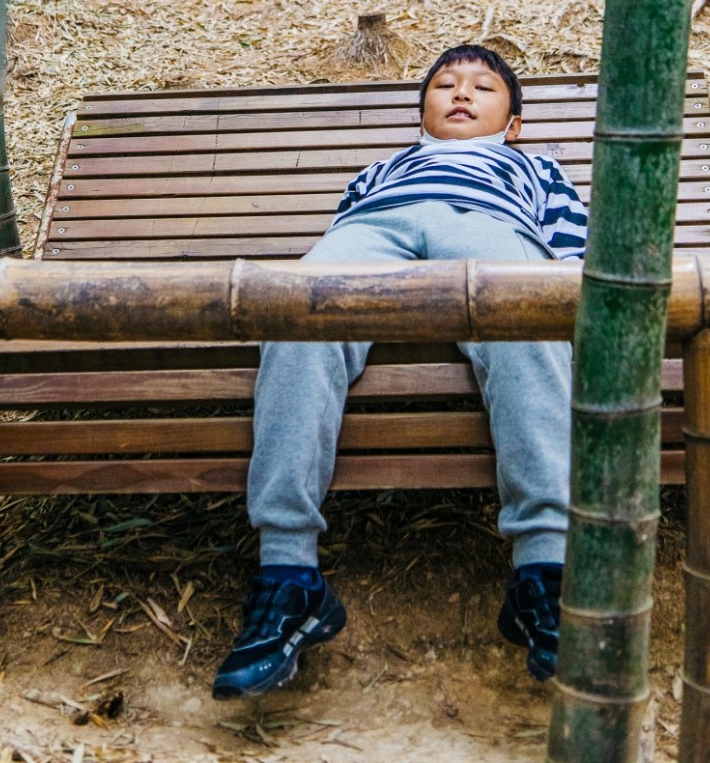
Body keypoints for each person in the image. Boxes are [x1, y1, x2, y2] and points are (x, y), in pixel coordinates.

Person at [212, 45, 586, 699]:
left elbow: (571, 252)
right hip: (377, 229)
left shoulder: (535, 167)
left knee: (530, 311)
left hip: (489, 227)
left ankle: (542, 569)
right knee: (300, 311)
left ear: (515, 123)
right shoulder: (382, 171)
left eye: (483, 87)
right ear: (421, 113)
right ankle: (288, 573)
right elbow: (343, 235)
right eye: (445, 84)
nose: (461, 92)